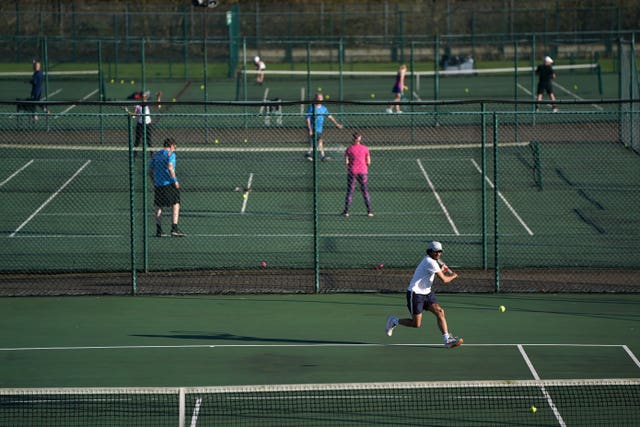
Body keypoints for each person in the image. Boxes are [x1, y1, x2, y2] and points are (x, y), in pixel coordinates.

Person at [385, 241, 463, 349]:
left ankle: (447, 340)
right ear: (430, 251)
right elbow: (444, 280)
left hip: (427, 293)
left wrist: (441, 270)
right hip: (415, 293)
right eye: (436, 252)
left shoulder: (432, 262)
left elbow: (431, 274)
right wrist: (453, 275)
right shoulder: (429, 261)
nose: (438, 254)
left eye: (440, 252)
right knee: (416, 324)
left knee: (440, 312)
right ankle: (394, 321)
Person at [148, 138, 185, 238]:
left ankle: (159, 230)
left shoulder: (156, 155)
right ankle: (174, 228)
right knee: (176, 204)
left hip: (158, 185)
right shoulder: (171, 154)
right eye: (174, 147)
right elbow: (170, 167)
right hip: (169, 184)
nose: (175, 149)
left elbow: (150, 171)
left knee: (159, 206)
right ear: (171, 145)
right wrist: (175, 180)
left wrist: (154, 182)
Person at [341, 132, 373, 217]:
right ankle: (369, 211)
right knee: (365, 191)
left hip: (352, 172)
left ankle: (346, 211)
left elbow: (346, 162)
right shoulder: (365, 148)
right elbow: (369, 162)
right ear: (360, 139)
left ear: (353, 139)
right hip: (363, 172)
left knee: (350, 192)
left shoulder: (349, 149)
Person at [305, 93, 343, 161]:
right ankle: (322, 156)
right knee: (319, 141)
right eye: (318, 98)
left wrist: (337, 124)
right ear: (315, 99)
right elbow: (308, 118)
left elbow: (329, 116)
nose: (320, 99)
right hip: (313, 128)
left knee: (315, 143)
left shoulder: (324, 108)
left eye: (321, 98)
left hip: (319, 129)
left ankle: (308, 154)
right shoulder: (312, 107)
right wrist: (310, 129)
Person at [132, 90, 162, 155]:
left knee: (149, 140)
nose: (143, 97)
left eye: (145, 96)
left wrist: (158, 98)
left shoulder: (148, 104)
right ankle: (134, 154)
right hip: (140, 124)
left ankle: (152, 154)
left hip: (148, 124)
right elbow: (135, 113)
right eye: (142, 96)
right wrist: (133, 115)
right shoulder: (138, 104)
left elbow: (158, 106)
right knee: (137, 140)